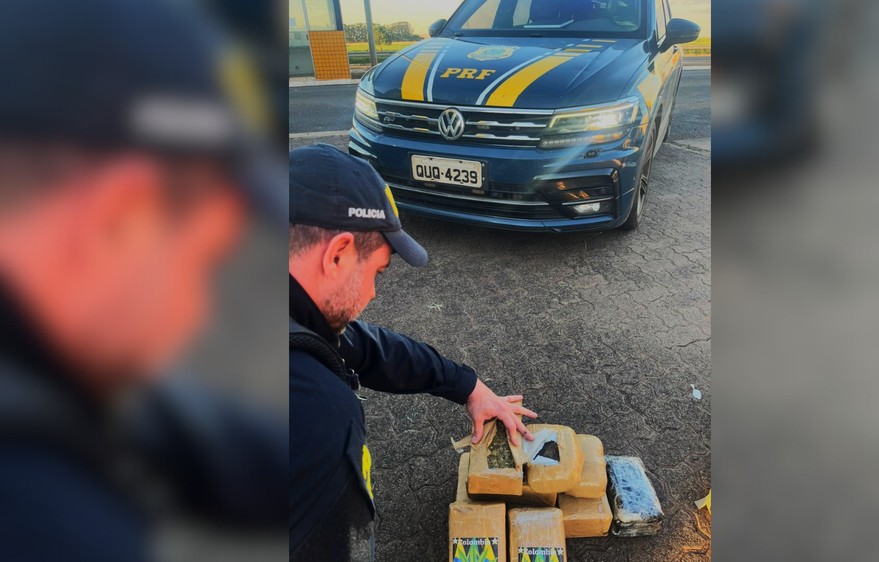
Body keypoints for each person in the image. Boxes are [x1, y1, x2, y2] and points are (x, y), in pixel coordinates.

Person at [0, 0, 286, 559]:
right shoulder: (49, 523)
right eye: (204, 261)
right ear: (117, 221)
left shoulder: (40, 361)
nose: (199, 312)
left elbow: (160, 430)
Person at [288, 144, 538, 561]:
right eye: (376, 273)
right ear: (336, 255)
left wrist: (469, 387)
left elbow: (365, 347)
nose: (372, 293)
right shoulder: (315, 409)